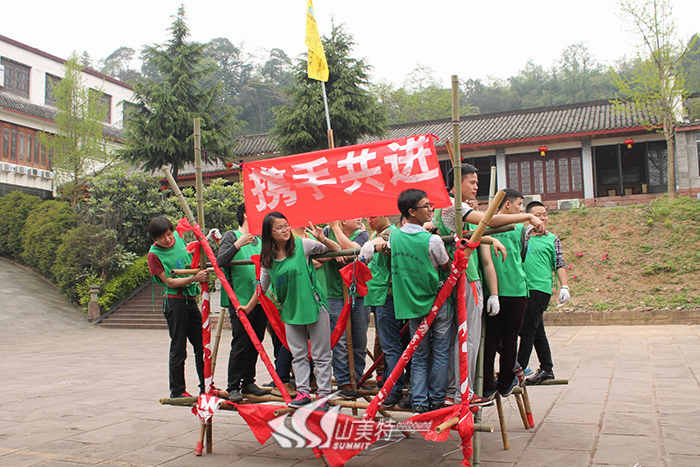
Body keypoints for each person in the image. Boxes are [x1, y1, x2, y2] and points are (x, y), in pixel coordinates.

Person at [237, 212, 340, 409]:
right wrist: (248, 307)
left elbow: (335, 250)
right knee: (298, 355)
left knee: (321, 355)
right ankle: (303, 393)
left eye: (286, 225)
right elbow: (262, 286)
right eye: (279, 228)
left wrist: (323, 238)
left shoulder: (303, 245)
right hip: (290, 310)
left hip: (314, 305)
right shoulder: (268, 258)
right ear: (269, 233)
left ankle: (323, 396)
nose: (285, 230)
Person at [390, 189, 452, 413]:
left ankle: (419, 401)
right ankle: (436, 399)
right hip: (436, 302)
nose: (430, 209)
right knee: (441, 351)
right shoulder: (432, 240)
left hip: (412, 305)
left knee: (418, 353)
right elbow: (445, 265)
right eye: (426, 206)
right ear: (411, 211)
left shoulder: (395, 237)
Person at [147, 216, 207, 399]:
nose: (167, 239)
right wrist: (194, 278)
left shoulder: (180, 239)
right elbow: (170, 282)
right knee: (179, 347)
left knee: (202, 345)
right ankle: (177, 390)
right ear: (154, 239)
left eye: (169, 234)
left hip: (191, 300)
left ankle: (206, 386)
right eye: (161, 238)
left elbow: (193, 256)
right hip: (175, 302)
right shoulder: (154, 255)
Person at [481, 188, 533, 400]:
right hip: (515, 289)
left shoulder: (483, 225)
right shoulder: (519, 227)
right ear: (507, 204)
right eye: (519, 204)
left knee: (491, 339)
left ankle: (486, 384)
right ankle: (505, 383)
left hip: (492, 291)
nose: (521, 209)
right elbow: (521, 254)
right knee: (510, 338)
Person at [217, 204, 268, 402]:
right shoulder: (232, 236)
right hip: (239, 299)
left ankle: (248, 382)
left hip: (259, 298)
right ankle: (233, 386)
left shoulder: (261, 241)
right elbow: (220, 261)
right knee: (240, 343)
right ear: (246, 215)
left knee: (256, 341)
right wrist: (238, 245)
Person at [518, 201, 570, 385]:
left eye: (544, 214)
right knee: (537, 331)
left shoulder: (552, 239)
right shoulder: (523, 237)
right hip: (521, 288)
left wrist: (564, 286)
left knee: (527, 330)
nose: (542, 218)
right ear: (529, 217)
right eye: (538, 215)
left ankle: (518, 370)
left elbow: (559, 263)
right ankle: (547, 369)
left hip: (539, 289)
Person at [317, 219, 371, 399]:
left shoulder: (362, 234)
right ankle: (344, 381)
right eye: (354, 216)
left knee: (359, 339)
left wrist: (336, 233)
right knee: (339, 341)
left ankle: (357, 376)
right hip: (333, 294)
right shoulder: (325, 232)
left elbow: (354, 250)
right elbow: (317, 258)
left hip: (358, 294)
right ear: (343, 219)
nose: (360, 219)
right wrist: (332, 251)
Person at [363, 214, 405, 407]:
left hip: (387, 296)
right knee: (387, 345)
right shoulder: (375, 234)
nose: (369, 220)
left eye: (372, 216)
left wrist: (371, 244)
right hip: (378, 296)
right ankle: (389, 385)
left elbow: (384, 239)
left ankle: (393, 389)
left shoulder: (391, 234)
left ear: (384, 215)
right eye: (367, 217)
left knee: (391, 346)